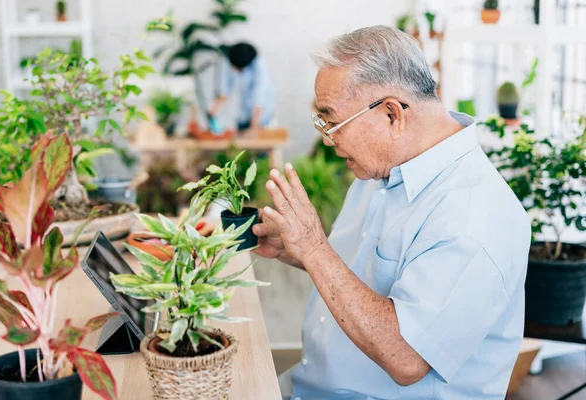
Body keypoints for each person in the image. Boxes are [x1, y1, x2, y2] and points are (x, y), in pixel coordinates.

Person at [252, 26, 531, 399]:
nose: (327, 137)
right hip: (311, 387)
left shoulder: (472, 217)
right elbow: (359, 274)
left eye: (332, 121)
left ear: (391, 115)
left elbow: (407, 357)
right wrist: (296, 247)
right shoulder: (383, 167)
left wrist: (315, 248)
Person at [209, 42, 276, 135]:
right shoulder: (233, 60)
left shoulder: (260, 68)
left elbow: (258, 99)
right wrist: (214, 109)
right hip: (244, 115)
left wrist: (254, 128)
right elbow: (225, 90)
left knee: (258, 145)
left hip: (262, 117)